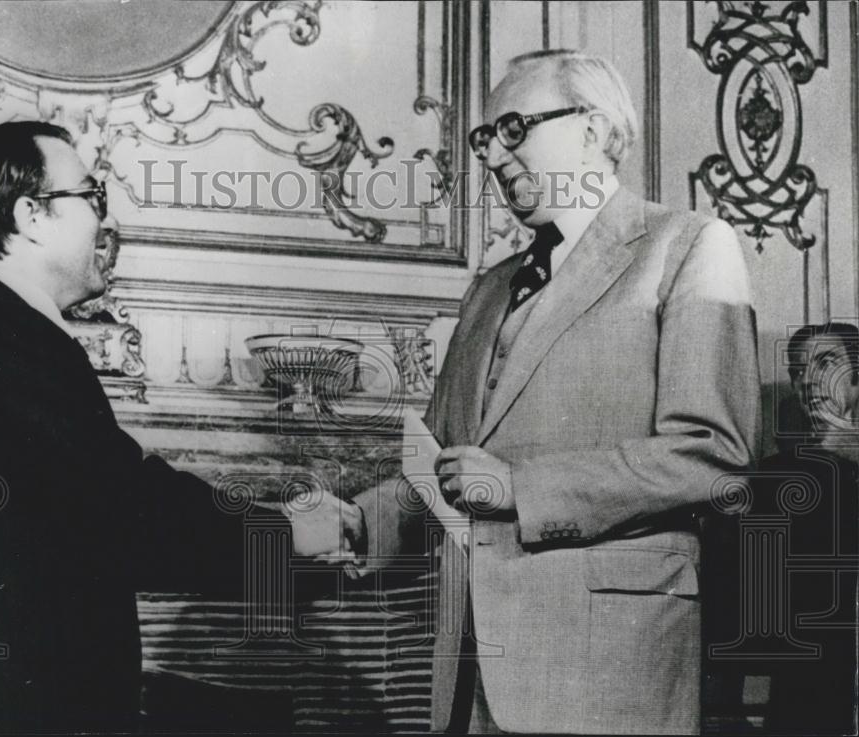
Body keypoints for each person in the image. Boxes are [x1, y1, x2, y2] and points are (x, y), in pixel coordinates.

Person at [0, 121, 362, 734]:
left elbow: (102, 510)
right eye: (92, 197)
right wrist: (287, 532)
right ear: (31, 215)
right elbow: (130, 513)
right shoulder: (4, 341)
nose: (107, 222)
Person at [352, 49, 761, 734]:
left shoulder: (689, 247)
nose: (493, 154)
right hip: (473, 667)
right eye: (486, 138)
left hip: (607, 668)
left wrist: (523, 487)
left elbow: (713, 455)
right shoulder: (489, 286)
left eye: (514, 128)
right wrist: (359, 523)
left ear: (594, 132)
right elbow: (440, 463)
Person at [752, 322, 858, 735]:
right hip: (804, 697)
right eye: (798, 370)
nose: (809, 380)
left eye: (826, 362)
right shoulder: (774, 481)